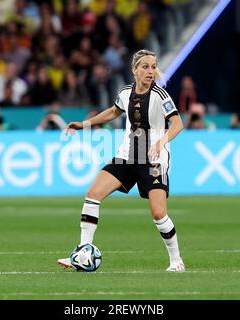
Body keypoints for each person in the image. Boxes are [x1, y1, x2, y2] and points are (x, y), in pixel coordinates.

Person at [57, 49, 186, 272]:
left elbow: (177, 124)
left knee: (158, 213)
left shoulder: (160, 96)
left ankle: (176, 261)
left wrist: (161, 141)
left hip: (153, 160)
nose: (150, 71)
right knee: (93, 194)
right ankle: (82, 251)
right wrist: (84, 124)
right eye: (145, 66)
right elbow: (113, 112)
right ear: (134, 70)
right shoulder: (126, 92)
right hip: (126, 156)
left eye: (153, 66)